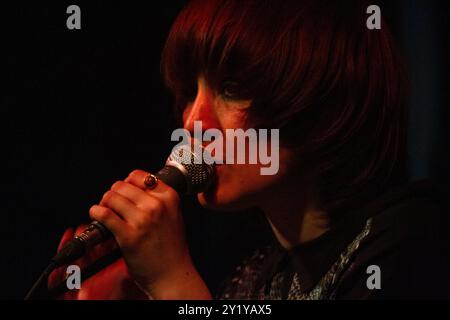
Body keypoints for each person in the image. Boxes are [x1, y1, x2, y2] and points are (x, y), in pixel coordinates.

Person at [48, 0, 450, 299]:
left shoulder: (411, 246)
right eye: (190, 93)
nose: (193, 123)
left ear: (321, 100)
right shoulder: (257, 277)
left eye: (231, 89)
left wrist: (172, 282)